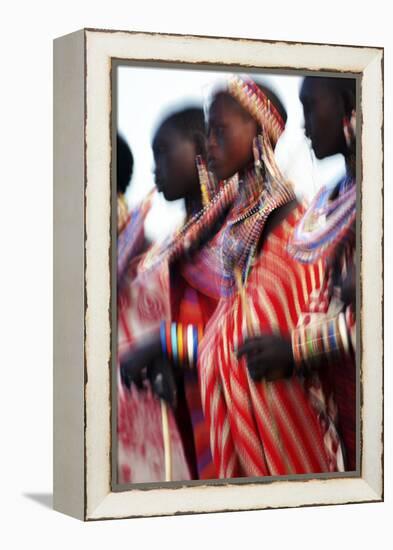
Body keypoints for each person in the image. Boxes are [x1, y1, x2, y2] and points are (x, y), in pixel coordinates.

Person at [195, 76, 343, 477]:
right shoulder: (236, 241)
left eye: (220, 130)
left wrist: (292, 351)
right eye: (208, 132)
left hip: (301, 449)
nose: (209, 143)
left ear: (259, 130)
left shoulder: (299, 230)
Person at [118, 106, 229, 482]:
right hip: (198, 416)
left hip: (234, 419)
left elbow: (229, 342)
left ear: (200, 147)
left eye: (163, 152)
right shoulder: (182, 244)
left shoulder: (228, 234)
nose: (155, 169)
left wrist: (161, 345)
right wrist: (166, 359)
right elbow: (196, 341)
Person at [286, 76, 357, 471]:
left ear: (349, 103)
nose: (305, 123)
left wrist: (294, 350)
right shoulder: (331, 195)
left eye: (311, 106)